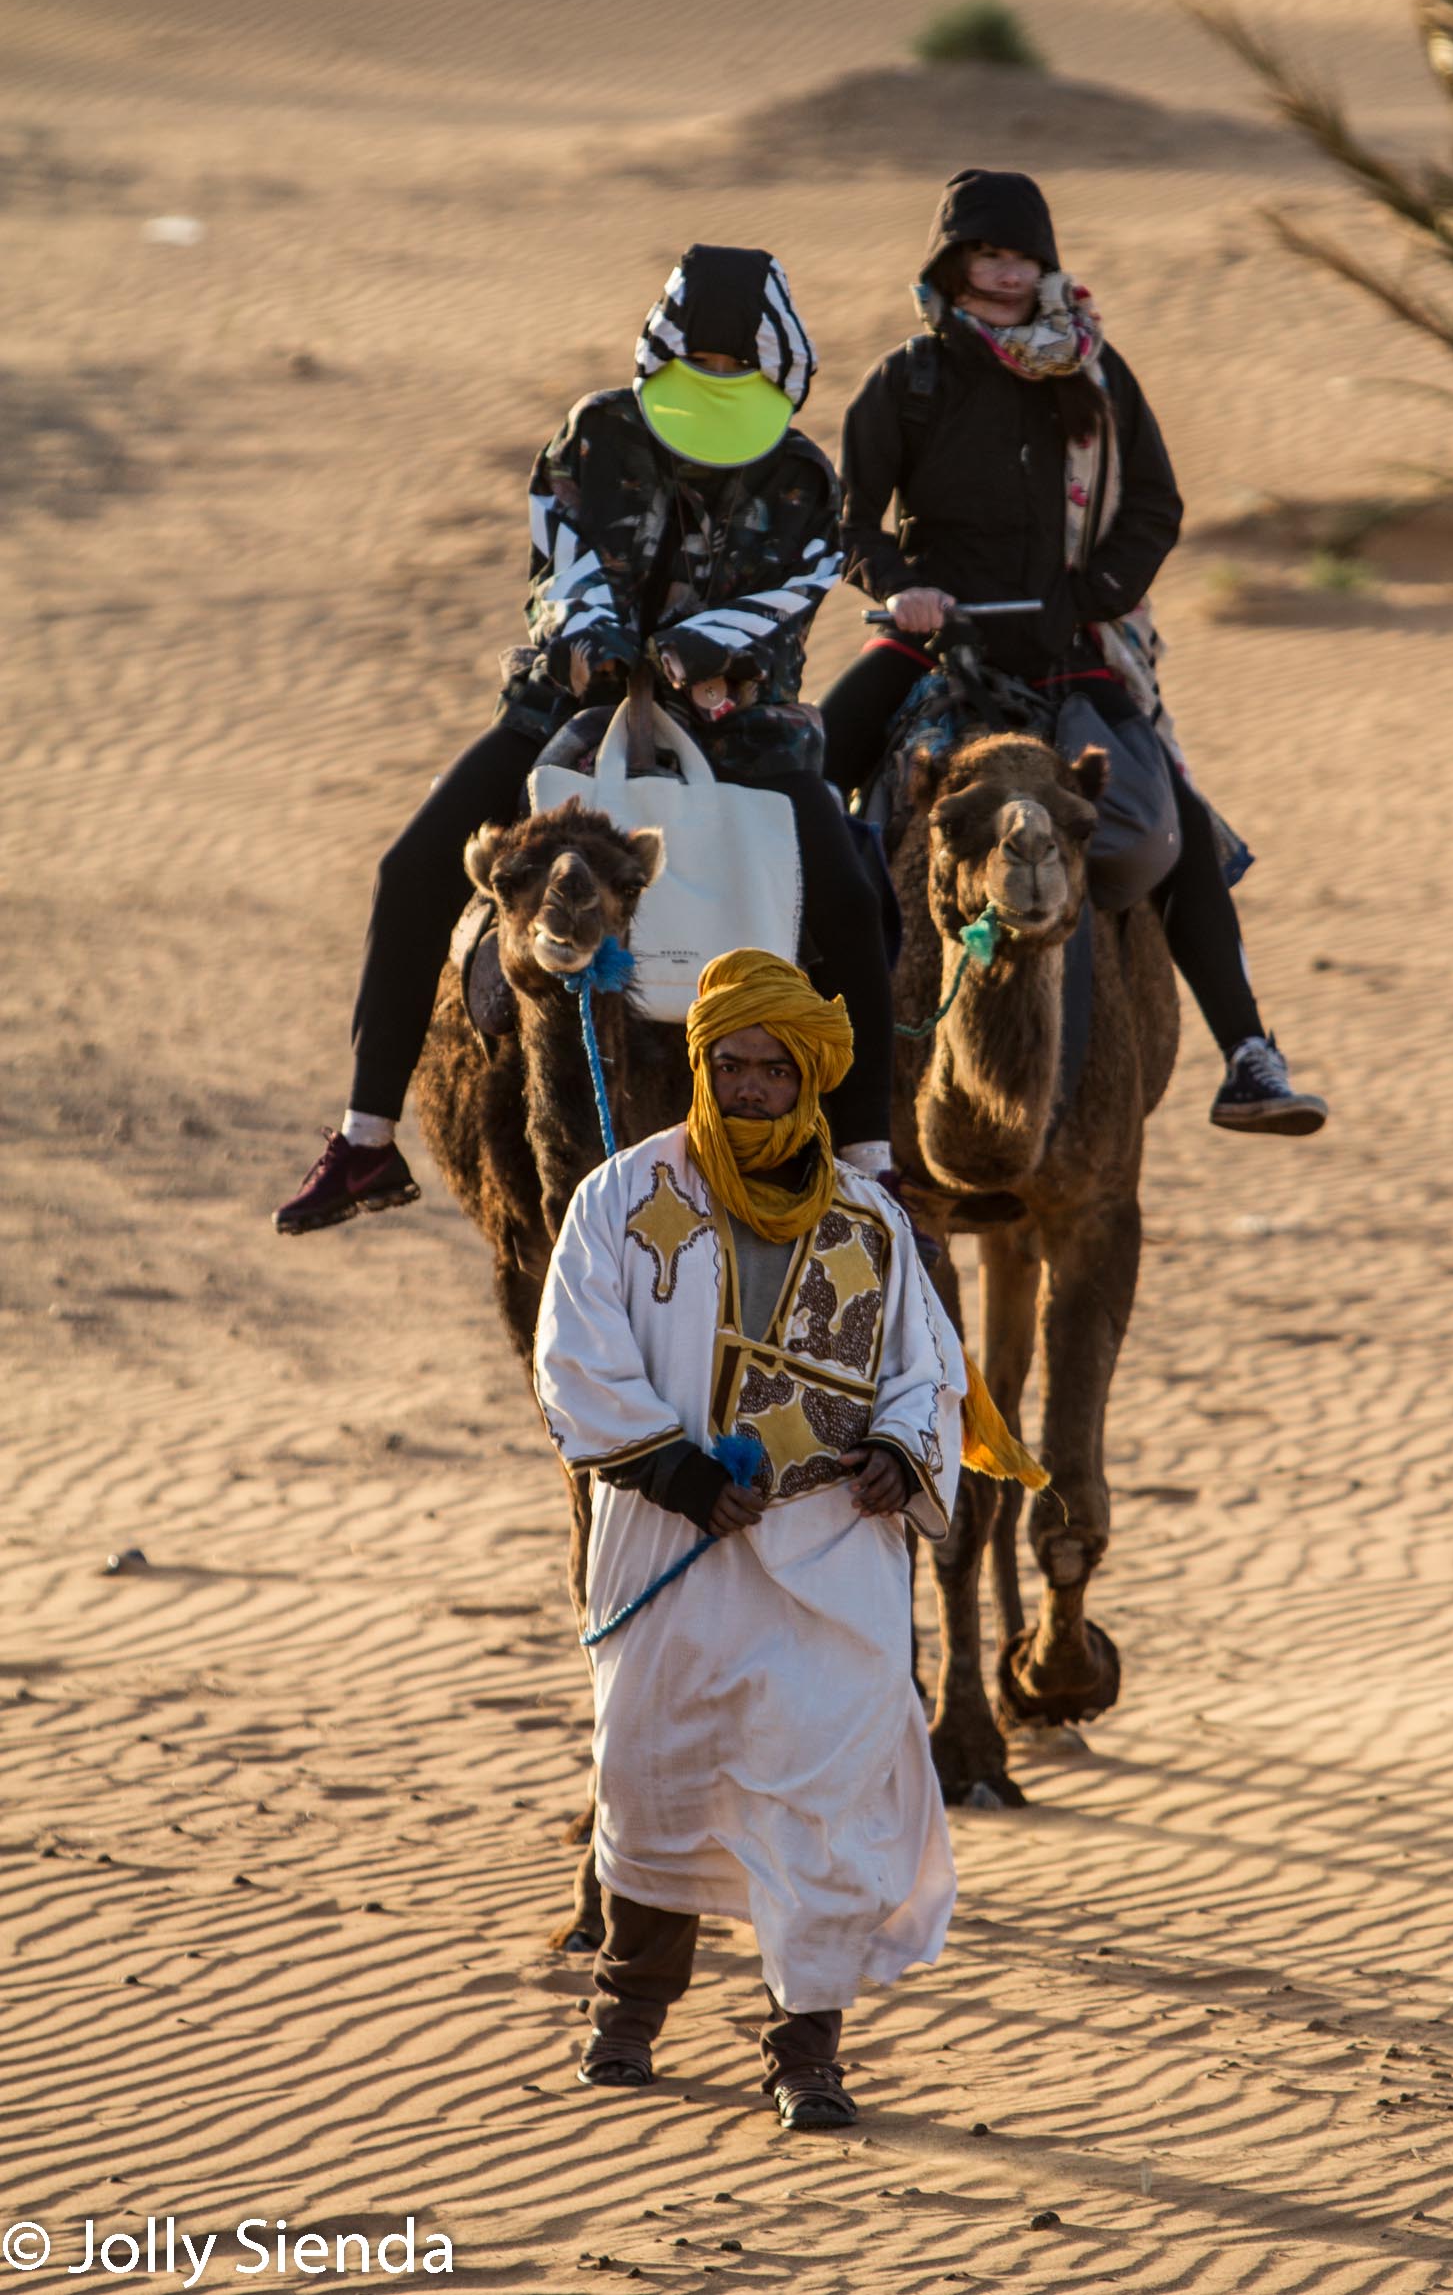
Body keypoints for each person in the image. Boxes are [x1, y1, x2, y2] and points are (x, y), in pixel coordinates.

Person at [274, 247, 895, 1235]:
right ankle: (365, 1137)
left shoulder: (801, 479)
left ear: (776, 373)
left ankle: (867, 1157)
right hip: (564, 711)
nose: (721, 380)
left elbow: (787, 600)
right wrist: (590, 639)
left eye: (739, 367)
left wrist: (701, 652)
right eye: (705, 363)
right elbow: (556, 558)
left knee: (855, 900)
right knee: (408, 870)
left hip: (743, 734)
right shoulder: (593, 433)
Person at [534, 948, 962, 2130]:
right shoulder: (622, 1195)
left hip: (827, 1560)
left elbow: (927, 1375)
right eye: (731, 1064)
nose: (752, 1085)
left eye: (775, 1067)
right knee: (649, 1776)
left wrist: (895, 1453)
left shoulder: (869, 1217)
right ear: (702, 1064)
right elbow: (573, 1352)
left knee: (818, 1800)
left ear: (809, 1077)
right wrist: (670, 1469)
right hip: (673, 1552)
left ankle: (804, 2053)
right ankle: (625, 2017)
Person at [819, 168, 1327, 1138]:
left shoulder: (1091, 372)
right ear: (952, 260)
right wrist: (897, 589)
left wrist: (1092, 594)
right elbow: (851, 521)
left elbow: (1152, 508)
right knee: (799, 775)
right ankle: (778, 1039)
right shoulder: (906, 378)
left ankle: (1249, 1057)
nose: (1005, 274)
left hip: (1069, 647)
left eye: (1021, 256)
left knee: (1170, 828)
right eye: (986, 253)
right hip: (938, 645)